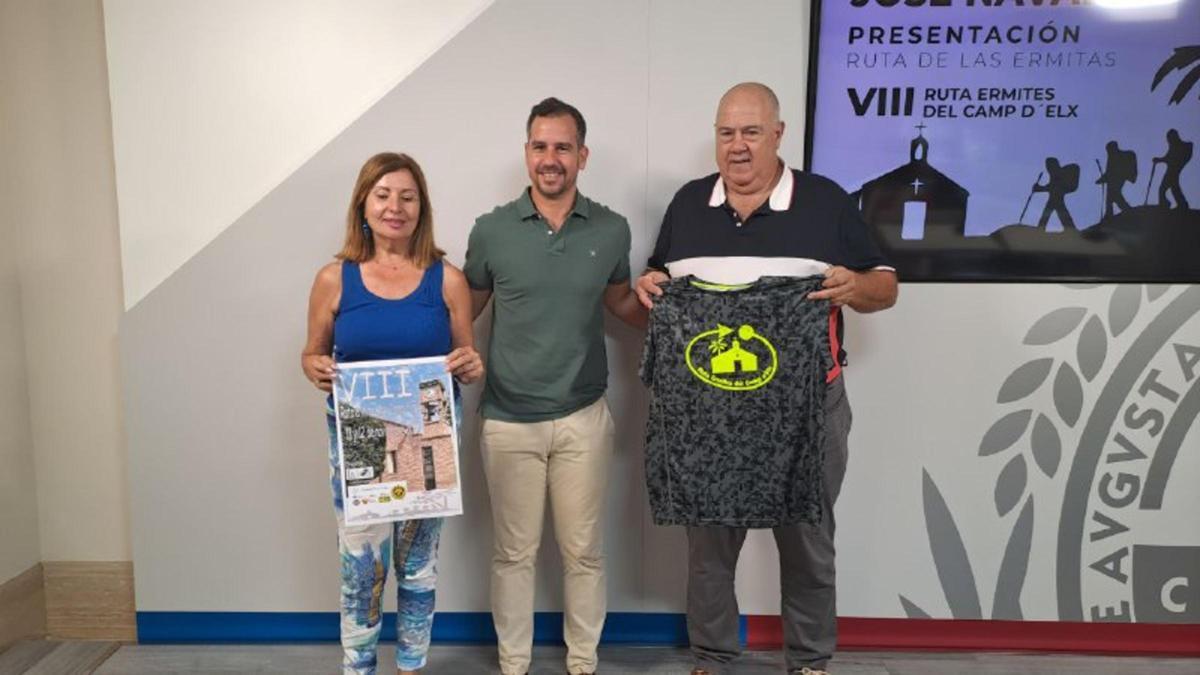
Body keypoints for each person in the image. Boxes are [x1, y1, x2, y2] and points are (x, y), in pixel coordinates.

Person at [634, 83, 898, 675]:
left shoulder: (826, 202)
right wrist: (649, 286)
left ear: (779, 134)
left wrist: (855, 288)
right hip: (709, 414)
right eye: (727, 133)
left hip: (808, 407)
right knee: (708, 544)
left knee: (807, 538)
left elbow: (885, 284)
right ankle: (710, 656)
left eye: (751, 132)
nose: (738, 146)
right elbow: (657, 277)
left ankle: (808, 661)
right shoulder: (687, 204)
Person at [464, 97, 645, 675]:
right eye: (540, 146)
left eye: (562, 147)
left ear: (582, 156)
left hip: (583, 418)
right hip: (507, 420)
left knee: (584, 554)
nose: (551, 158)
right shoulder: (491, 230)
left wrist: (676, 307)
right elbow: (461, 312)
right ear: (526, 154)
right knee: (513, 554)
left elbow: (620, 303)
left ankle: (582, 664)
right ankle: (513, 665)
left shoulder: (613, 229)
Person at [300, 152, 483, 675]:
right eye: (383, 195)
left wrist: (470, 364)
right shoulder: (335, 280)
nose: (395, 207)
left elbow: (465, 360)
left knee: (418, 568)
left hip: (428, 443)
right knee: (362, 569)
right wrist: (313, 365)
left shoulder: (447, 280)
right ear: (363, 203)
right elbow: (311, 352)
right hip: (359, 447)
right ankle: (358, 667)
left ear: (421, 207)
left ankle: (411, 666)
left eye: (407, 196)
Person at [1032, 156, 1080, 231]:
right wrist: (1040, 188)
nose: (1048, 168)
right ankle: (1070, 227)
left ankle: (1041, 227)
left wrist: (1040, 188)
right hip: (1056, 195)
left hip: (1058, 194)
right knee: (1057, 208)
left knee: (1053, 207)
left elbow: (1052, 187)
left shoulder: (1059, 173)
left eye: (1049, 166)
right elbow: (1051, 186)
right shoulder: (1054, 173)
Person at [1153, 128, 1193, 210]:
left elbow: (1171, 158)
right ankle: (1172, 204)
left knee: (1167, 188)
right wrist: (1159, 160)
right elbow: (1167, 158)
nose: (1169, 141)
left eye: (1170, 138)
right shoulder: (1174, 147)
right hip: (1171, 171)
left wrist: (1160, 160)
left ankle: (1179, 204)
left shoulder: (1182, 146)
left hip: (1173, 171)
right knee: (1168, 188)